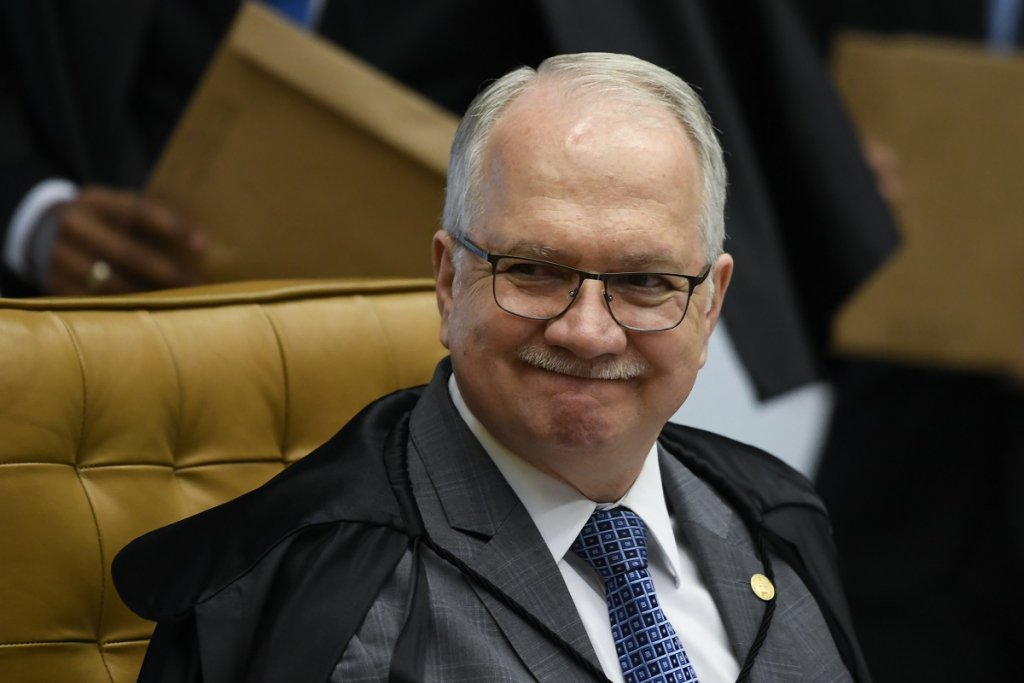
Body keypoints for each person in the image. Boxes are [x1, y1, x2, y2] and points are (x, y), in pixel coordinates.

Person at [113, 53, 869, 682]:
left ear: (710, 304)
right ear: (449, 282)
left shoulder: (776, 517)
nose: (588, 332)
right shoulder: (320, 587)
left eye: (645, 282)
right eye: (534, 269)